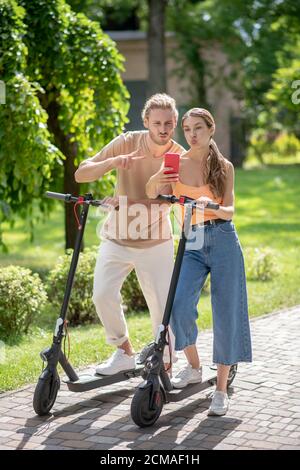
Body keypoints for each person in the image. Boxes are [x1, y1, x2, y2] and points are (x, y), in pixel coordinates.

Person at [146, 107, 252, 416]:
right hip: (191, 241)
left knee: (226, 313)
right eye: (188, 129)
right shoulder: (176, 163)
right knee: (178, 306)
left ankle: (220, 389)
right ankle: (194, 367)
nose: (192, 134)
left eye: (198, 128)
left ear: (211, 129)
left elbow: (230, 211)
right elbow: (154, 193)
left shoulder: (225, 166)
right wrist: (156, 178)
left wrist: (213, 206)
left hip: (222, 238)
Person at [75, 93, 184, 375]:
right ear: (146, 121)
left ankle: (166, 364)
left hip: (155, 241)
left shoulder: (178, 156)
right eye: (157, 122)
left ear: (175, 123)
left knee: (161, 308)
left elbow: (168, 200)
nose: (163, 129)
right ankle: (123, 351)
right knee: (102, 294)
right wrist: (113, 162)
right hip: (117, 236)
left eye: (169, 124)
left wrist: (129, 203)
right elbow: (81, 174)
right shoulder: (126, 142)